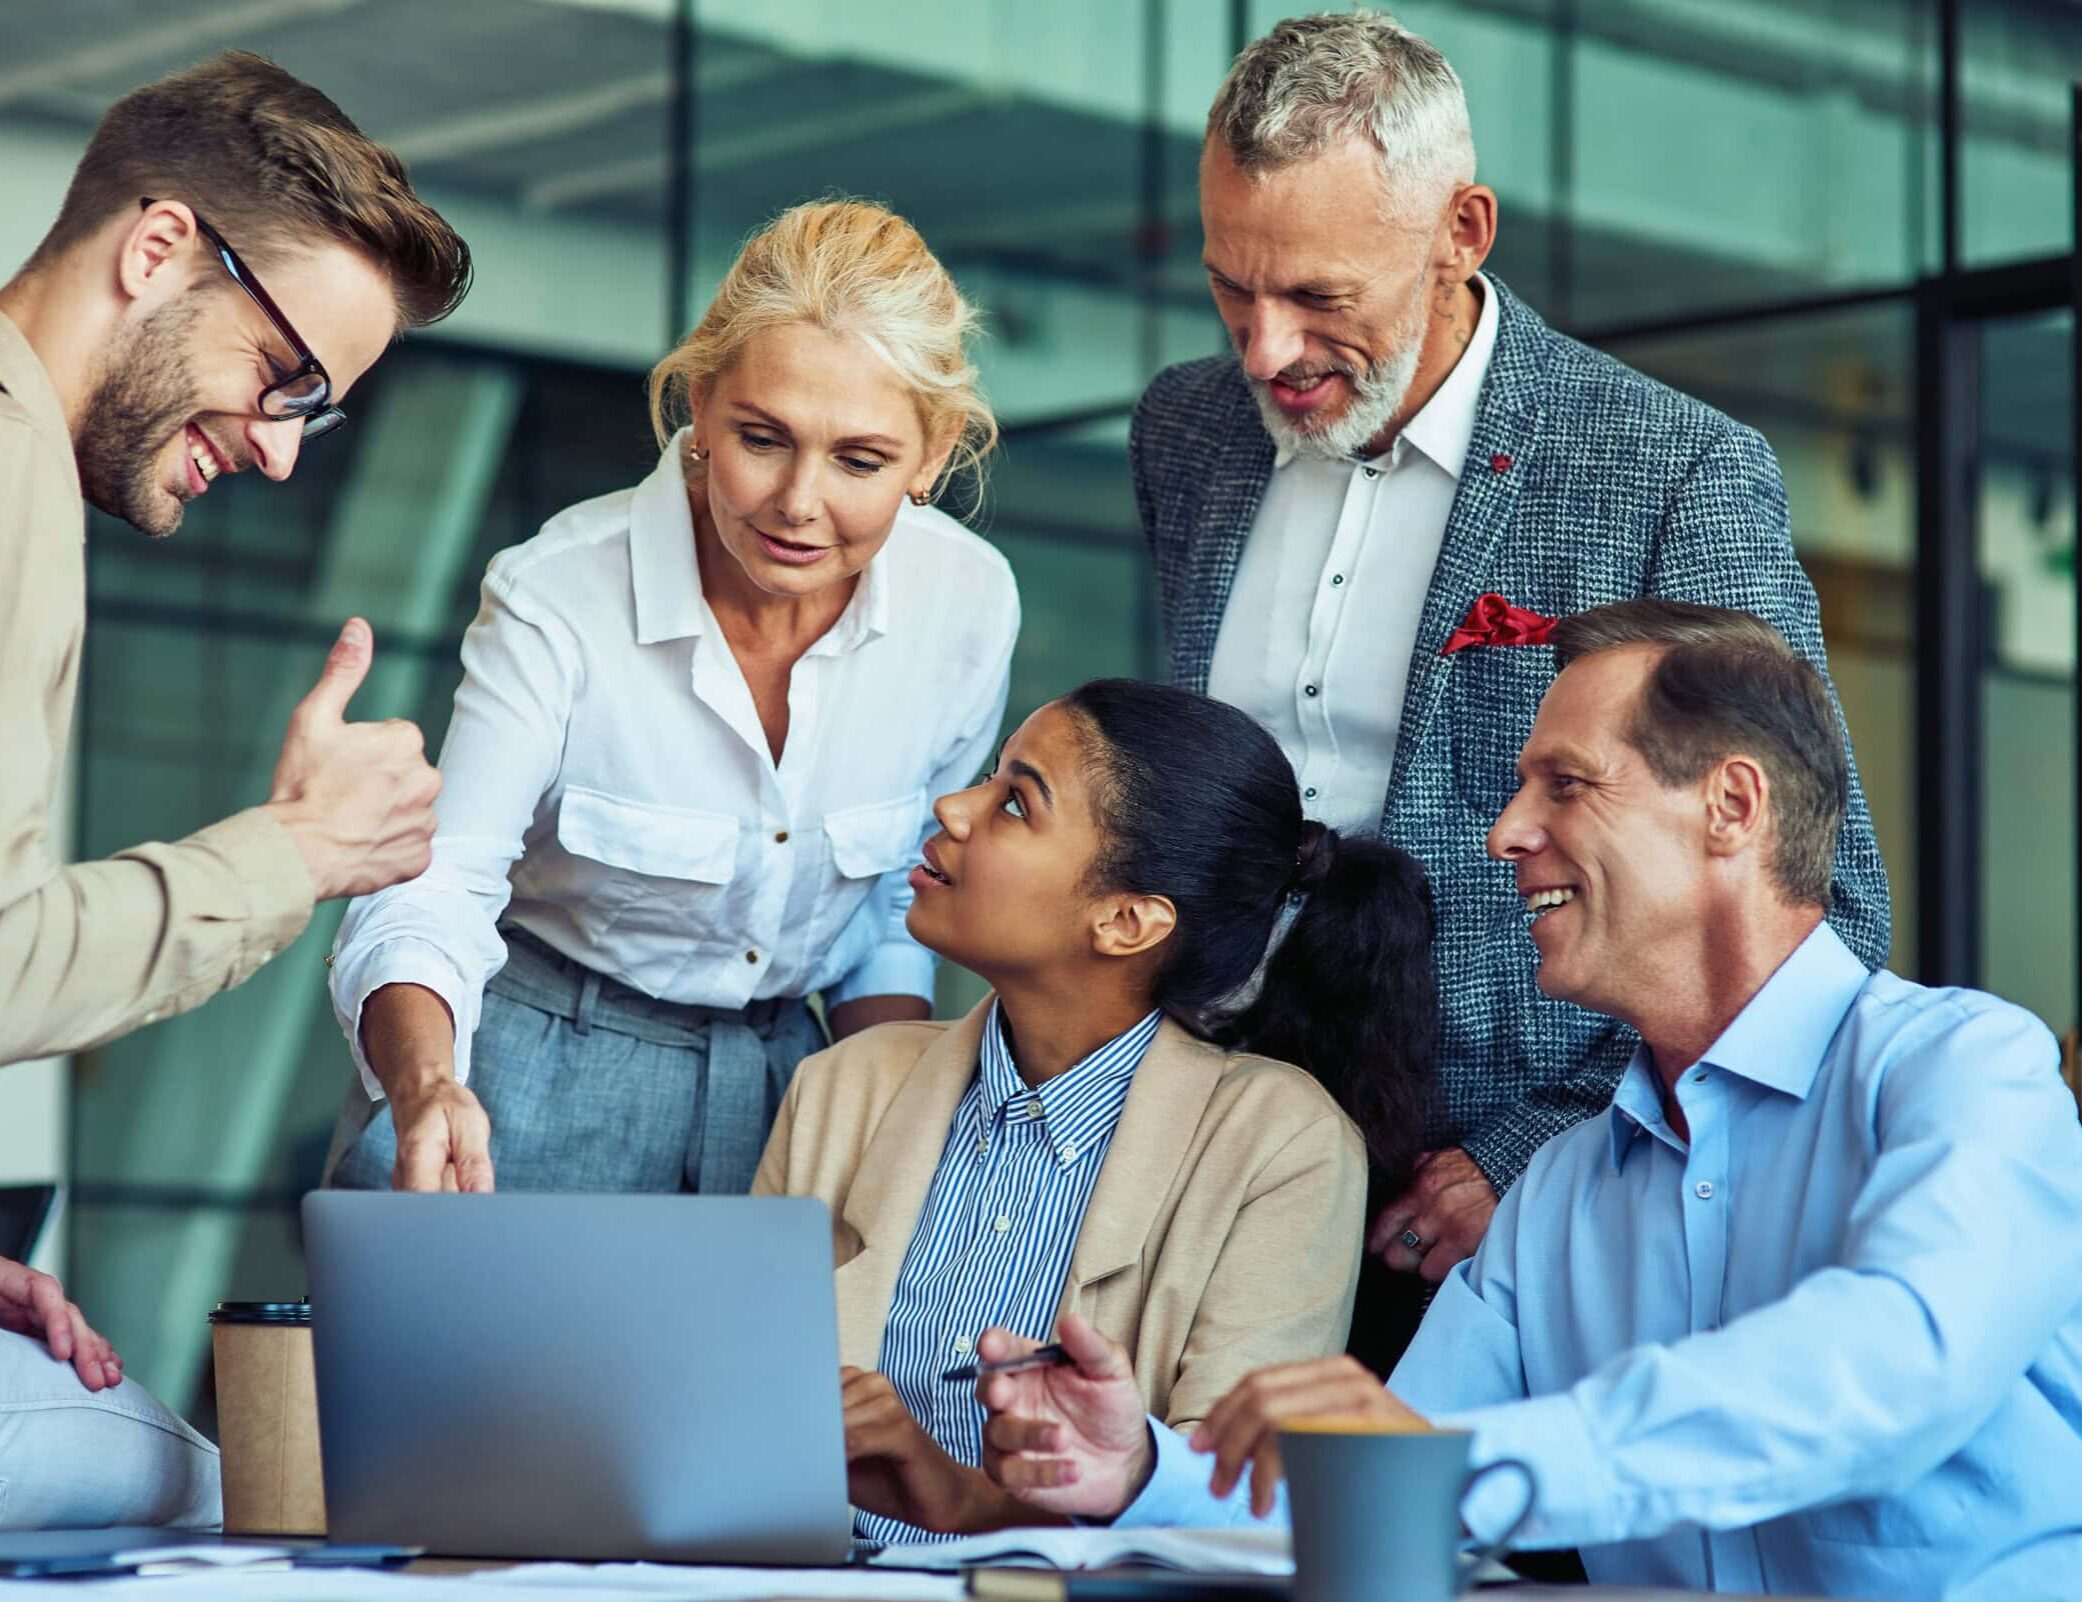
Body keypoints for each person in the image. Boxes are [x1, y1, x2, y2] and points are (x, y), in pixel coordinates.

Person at [978, 603, 2082, 1602]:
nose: (1505, 831)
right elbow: (1401, 1479)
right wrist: (1138, 1470)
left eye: (1565, 783)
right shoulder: (1556, 1191)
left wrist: (1462, 1467)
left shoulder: (1966, 1071)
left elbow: (1892, 1366)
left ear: (1730, 808)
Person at [1132, 9, 1893, 1359]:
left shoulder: (1672, 474)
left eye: (1317, 298)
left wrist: (1539, 1149)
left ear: (1460, 232)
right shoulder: (1185, 433)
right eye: (1229, 289)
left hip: (1496, 1208)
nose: (1264, 350)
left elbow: (1817, 908)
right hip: (1204, 1168)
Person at [0, 52, 466, 1534]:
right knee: (241, 1506)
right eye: (284, 377)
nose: (282, 447)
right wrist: (293, 853)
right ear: (157, 249)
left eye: (320, 413)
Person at [324, 200, 1020, 1198]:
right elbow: (438, 883)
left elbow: (895, 915)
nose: (798, 502)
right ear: (699, 405)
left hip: (794, 1085)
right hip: (527, 1062)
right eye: (762, 437)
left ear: (934, 452)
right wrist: (429, 1082)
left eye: (859, 459)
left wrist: (890, 1133)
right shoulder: (557, 593)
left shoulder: (968, 601)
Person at [751, 679, 1438, 1542]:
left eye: (1014, 804)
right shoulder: (842, 1085)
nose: (953, 808)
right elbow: (738, 1416)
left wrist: (957, 1497)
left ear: (1126, 921)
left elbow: (1224, 1512)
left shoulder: (1282, 1146)